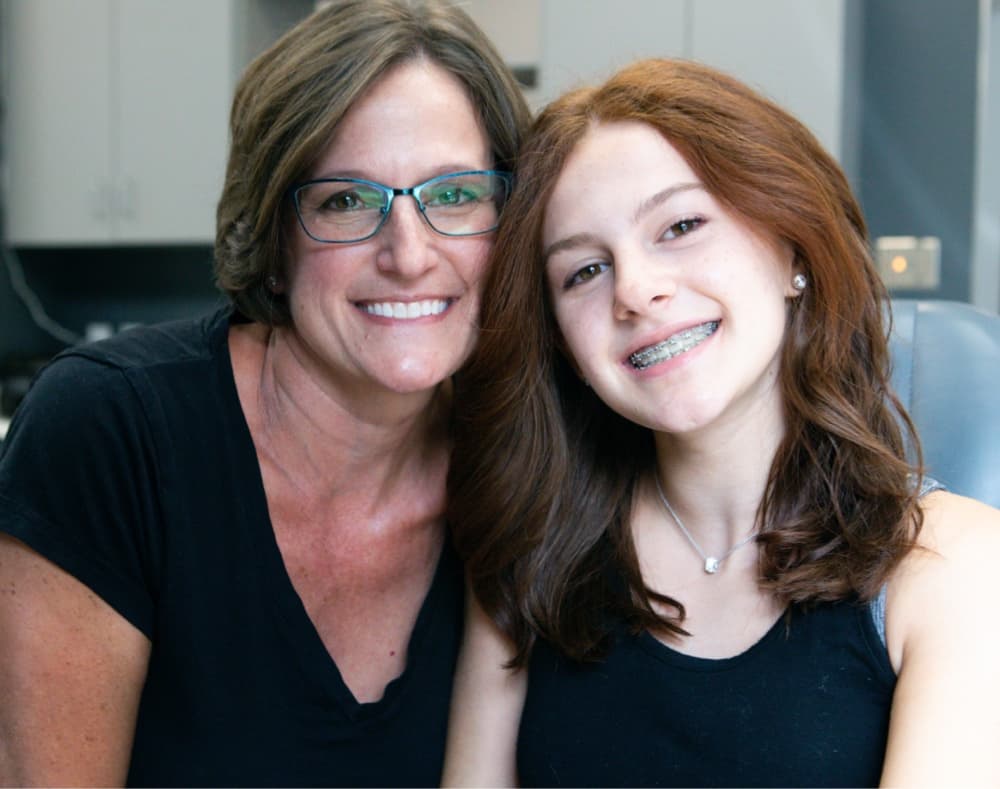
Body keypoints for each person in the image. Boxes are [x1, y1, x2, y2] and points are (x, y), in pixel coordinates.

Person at [0, 1, 530, 785]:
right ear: (274, 243)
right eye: (346, 200)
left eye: (454, 194)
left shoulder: (527, 465)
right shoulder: (111, 433)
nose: (409, 256)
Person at [442, 58, 1000, 787]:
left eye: (680, 225)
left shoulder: (951, 565)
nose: (637, 290)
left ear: (792, 247)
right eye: (584, 271)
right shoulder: (532, 553)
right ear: (563, 346)